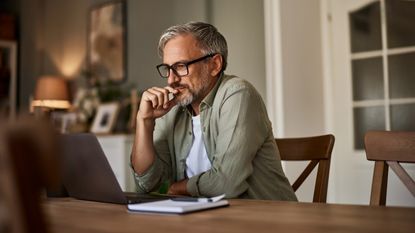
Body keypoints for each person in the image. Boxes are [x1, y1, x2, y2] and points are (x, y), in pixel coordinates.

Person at [131, 22, 297, 201]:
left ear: (215, 64)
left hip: (265, 220)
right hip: (201, 218)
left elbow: (226, 184)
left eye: (180, 66)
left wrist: (176, 188)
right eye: (168, 69)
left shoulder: (237, 94)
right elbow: (147, 184)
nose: (171, 80)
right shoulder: (172, 108)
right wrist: (144, 120)